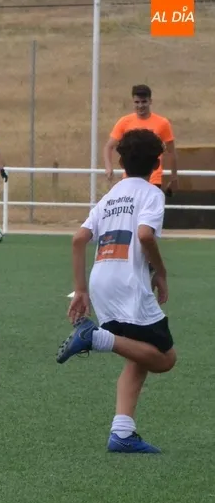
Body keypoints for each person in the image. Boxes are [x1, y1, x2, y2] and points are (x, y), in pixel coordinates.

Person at [58, 128, 177, 454]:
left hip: (102, 283)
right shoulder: (151, 194)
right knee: (165, 359)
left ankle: (122, 433)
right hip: (129, 286)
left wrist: (80, 290)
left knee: (138, 357)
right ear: (157, 163)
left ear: (121, 162)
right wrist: (161, 272)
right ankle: (95, 338)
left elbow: (78, 239)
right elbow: (145, 235)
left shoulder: (111, 195)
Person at [103, 84, 178, 195]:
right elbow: (108, 146)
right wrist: (108, 167)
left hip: (153, 179)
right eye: (137, 102)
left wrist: (174, 176)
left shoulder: (162, 123)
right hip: (129, 179)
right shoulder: (124, 122)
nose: (140, 106)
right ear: (133, 102)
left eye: (144, 102)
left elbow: (171, 152)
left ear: (150, 101)